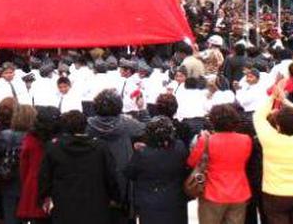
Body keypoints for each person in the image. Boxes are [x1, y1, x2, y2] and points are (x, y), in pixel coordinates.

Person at [253, 79, 293, 224]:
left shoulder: (269, 139)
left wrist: (273, 98)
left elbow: (258, 116)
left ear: (278, 126)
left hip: (275, 194)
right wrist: (285, 100)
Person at [39, 109, 119, 224]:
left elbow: (45, 177)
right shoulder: (100, 147)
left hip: (64, 207)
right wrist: (115, 197)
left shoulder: (53, 147)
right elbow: (111, 176)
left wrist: (44, 197)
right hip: (96, 207)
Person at [86, 88, 146, 223]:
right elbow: (145, 128)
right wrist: (142, 110)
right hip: (122, 172)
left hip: (95, 174)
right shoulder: (126, 123)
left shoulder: (89, 124)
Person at [187, 104, 253, 224]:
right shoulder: (245, 139)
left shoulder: (206, 140)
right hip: (239, 191)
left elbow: (192, 162)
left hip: (212, 193)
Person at [124, 116, 189, 224]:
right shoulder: (180, 147)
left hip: (149, 204)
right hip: (175, 201)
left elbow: (129, 172)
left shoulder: (143, 153)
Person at [17, 106, 60, 223]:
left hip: (34, 183)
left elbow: (23, 167)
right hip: (57, 184)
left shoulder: (30, 139)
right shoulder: (59, 140)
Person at [0, 104, 35, 224]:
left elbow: (0, 154)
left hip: (10, 179)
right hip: (30, 180)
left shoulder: (5, 135)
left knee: (10, 216)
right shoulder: (36, 137)